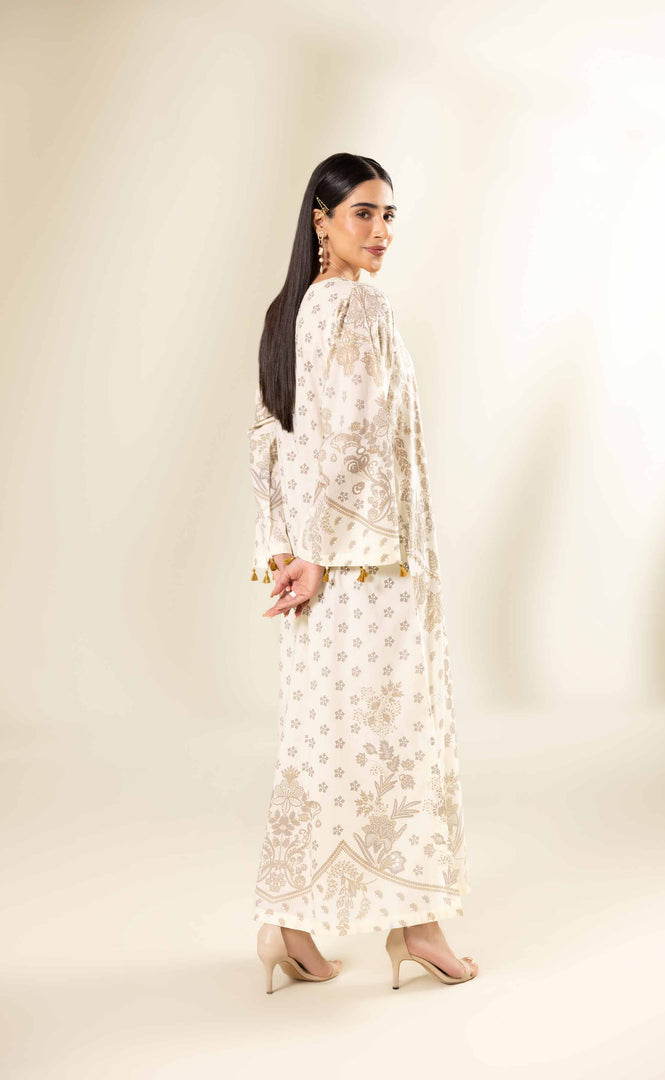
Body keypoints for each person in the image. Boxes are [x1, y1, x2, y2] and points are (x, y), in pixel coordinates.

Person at [248, 152, 477, 993]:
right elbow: (354, 438)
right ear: (322, 218)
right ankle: (418, 928)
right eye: (363, 214)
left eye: (388, 217)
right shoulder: (356, 304)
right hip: (369, 570)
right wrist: (321, 553)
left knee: (323, 744)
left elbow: (272, 441)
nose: (380, 232)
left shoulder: (291, 310)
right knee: (397, 738)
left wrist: (288, 549)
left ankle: (291, 926)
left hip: (321, 571)